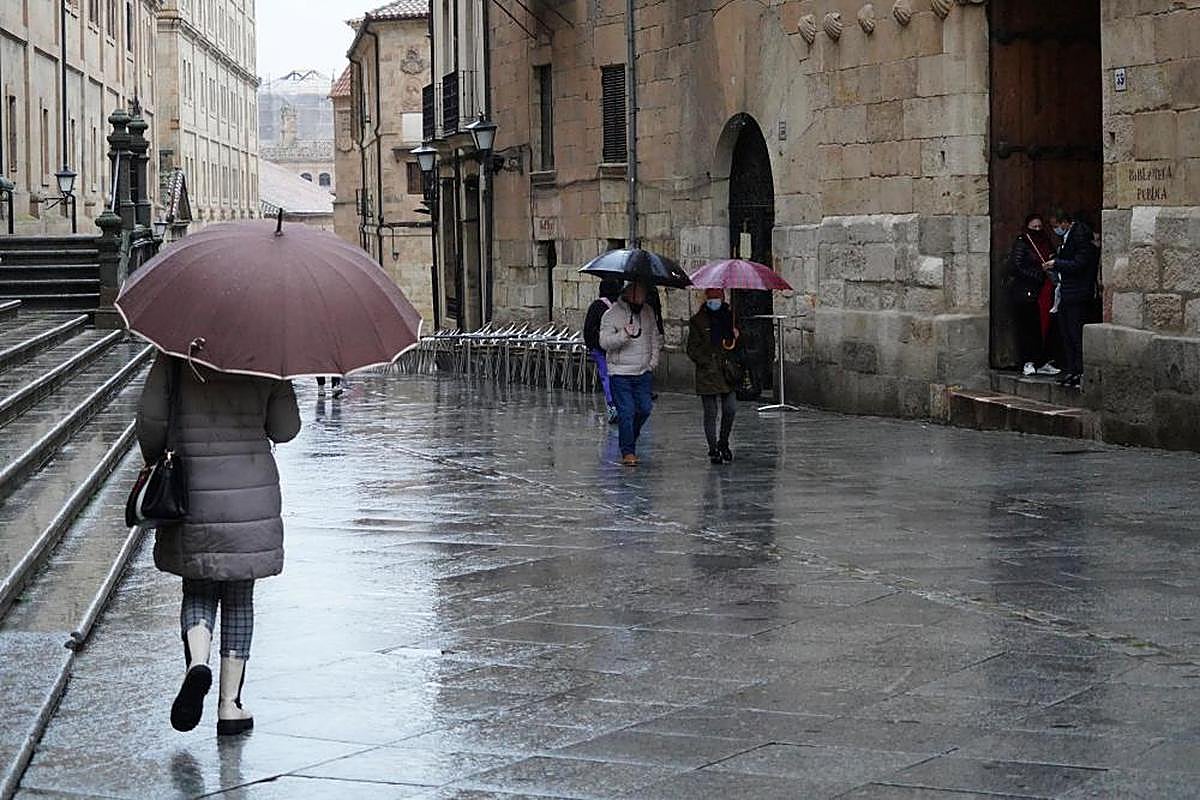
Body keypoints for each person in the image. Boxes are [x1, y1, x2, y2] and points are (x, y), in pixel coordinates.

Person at [137, 353, 300, 736]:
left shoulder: (175, 352)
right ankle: (230, 705)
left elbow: (151, 421)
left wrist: (155, 460)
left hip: (193, 488)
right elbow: (285, 429)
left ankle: (197, 663)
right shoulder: (270, 350)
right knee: (240, 596)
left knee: (197, 587)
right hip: (251, 493)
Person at [600, 281, 662, 466]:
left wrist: (653, 361)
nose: (641, 300)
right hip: (620, 373)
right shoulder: (611, 315)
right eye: (638, 296)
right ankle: (628, 452)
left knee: (644, 409)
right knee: (626, 412)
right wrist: (623, 335)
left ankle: (629, 437)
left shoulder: (648, 312)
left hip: (642, 371)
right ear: (629, 295)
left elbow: (654, 337)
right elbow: (604, 342)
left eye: (643, 296)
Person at [1044, 208, 1099, 388]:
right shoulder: (1068, 237)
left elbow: (1080, 263)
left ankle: (1079, 370)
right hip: (1067, 291)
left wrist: (1057, 263)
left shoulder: (1080, 236)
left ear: (1065, 223)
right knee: (1066, 333)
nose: (1055, 230)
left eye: (1056, 226)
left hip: (1077, 292)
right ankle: (1071, 369)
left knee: (1075, 333)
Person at [686, 289, 740, 464]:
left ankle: (723, 442)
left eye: (717, 298)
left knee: (730, 408)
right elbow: (692, 349)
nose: (714, 301)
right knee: (710, 412)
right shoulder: (698, 321)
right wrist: (706, 360)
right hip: (708, 372)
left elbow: (736, 347)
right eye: (711, 298)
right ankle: (713, 448)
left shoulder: (730, 317)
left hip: (727, 372)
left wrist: (736, 336)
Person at [1008, 214, 1060, 377]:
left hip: (1045, 290)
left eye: (1039, 226)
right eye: (1034, 227)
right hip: (1027, 292)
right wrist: (1038, 273)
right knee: (1028, 327)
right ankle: (1028, 361)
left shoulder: (1045, 242)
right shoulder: (1023, 243)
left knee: (1044, 327)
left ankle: (1043, 361)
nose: (1037, 230)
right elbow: (1015, 266)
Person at [583, 278, 623, 424]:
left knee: (606, 377)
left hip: (600, 349)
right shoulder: (620, 307)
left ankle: (612, 407)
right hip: (618, 347)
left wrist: (591, 346)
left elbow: (588, 328)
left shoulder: (596, 306)